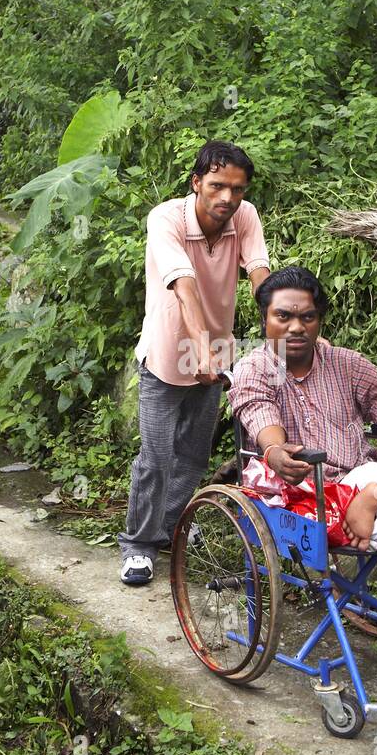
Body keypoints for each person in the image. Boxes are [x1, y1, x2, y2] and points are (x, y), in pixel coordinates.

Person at [118, 141, 271, 585]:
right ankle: (138, 546)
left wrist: (280, 322)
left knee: (192, 455)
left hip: (215, 358)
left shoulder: (244, 216)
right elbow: (183, 286)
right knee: (157, 456)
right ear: (197, 182)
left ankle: (168, 527)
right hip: (167, 356)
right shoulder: (165, 218)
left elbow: (260, 274)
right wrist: (200, 347)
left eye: (237, 189)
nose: (228, 198)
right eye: (218, 186)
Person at [227, 266, 377, 550]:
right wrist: (275, 451)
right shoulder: (253, 368)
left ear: (319, 321)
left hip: (357, 477)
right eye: (283, 316)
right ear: (264, 319)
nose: (296, 327)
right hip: (300, 486)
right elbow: (259, 412)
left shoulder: (346, 364)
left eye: (307, 317)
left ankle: (372, 509)